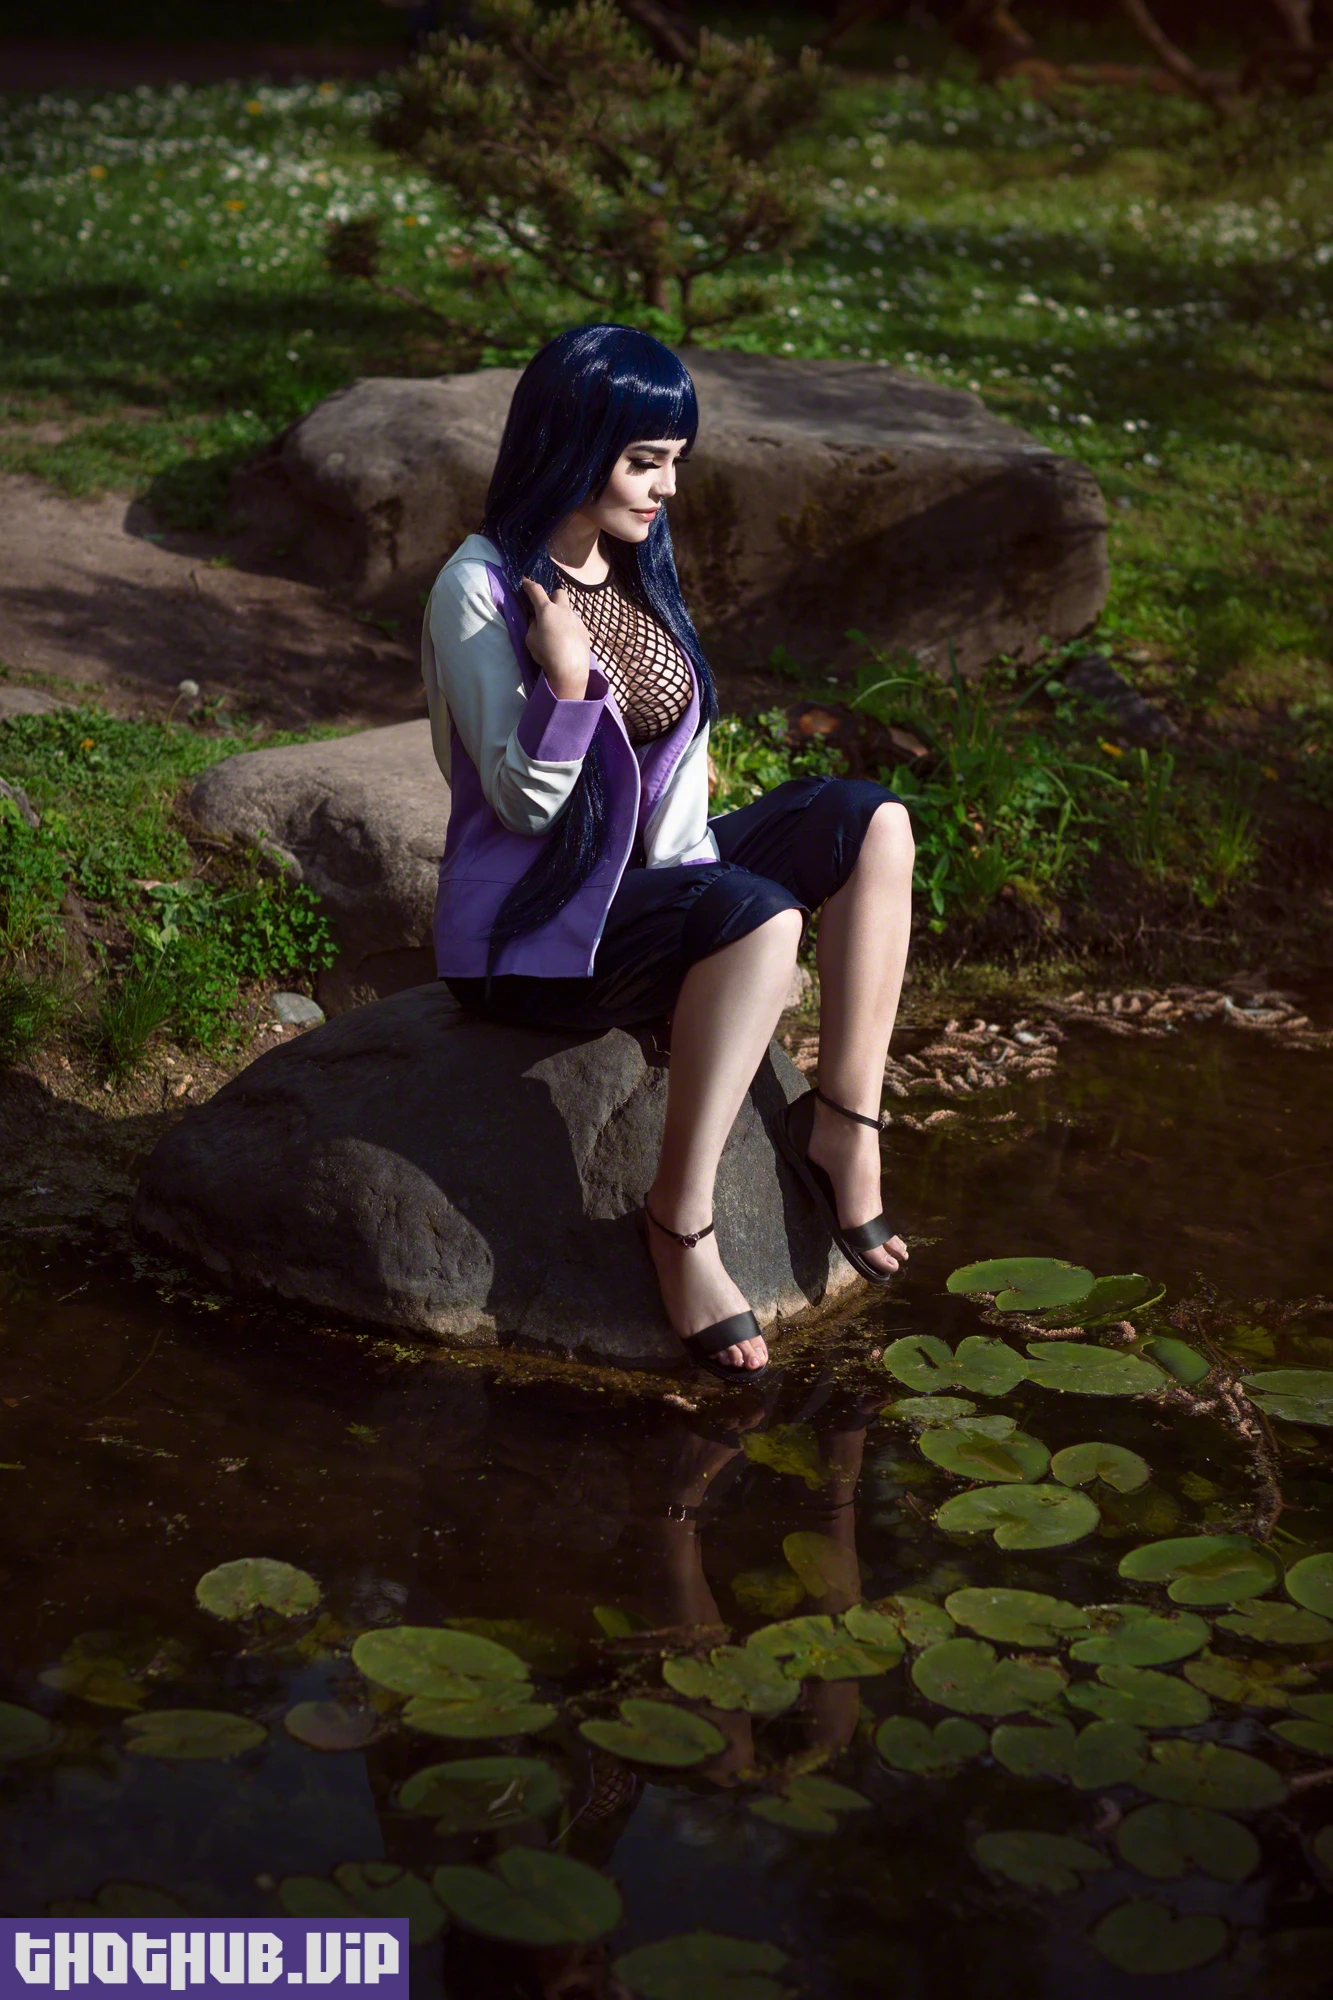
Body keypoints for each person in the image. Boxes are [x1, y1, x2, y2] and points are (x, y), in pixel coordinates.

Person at [422, 324, 914, 1381]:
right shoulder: (478, 587)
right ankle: (680, 1222)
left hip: (650, 880)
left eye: (674, 462)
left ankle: (844, 1124)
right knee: (762, 918)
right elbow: (517, 803)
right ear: (571, 443)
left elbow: (675, 765)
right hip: (530, 925)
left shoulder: (635, 562)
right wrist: (565, 684)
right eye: (644, 462)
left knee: (871, 819)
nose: (667, 489)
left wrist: (698, 876)